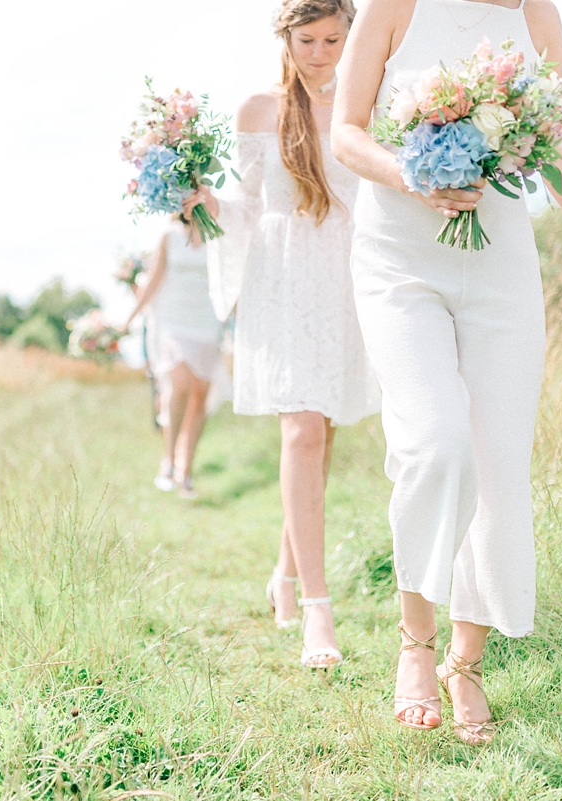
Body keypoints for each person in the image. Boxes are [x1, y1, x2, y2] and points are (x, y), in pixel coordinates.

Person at [331, 0, 562, 742]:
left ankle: (465, 662)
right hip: (398, 263)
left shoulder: (541, 18)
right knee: (435, 445)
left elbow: (561, 152)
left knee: (497, 467)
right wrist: (412, 174)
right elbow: (347, 131)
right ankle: (414, 644)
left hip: (501, 268)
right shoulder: (396, 6)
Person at [189, 0, 380, 669]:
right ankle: (317, 614)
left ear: (352, 36)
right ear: (286, 37)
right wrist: (207, 205)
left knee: (321, 433)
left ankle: (284, 572)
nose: (321, 52)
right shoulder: (258, 111)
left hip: (346, 278)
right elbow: (245, 205)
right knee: (300, 429)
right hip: (283, 279)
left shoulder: (370, 107)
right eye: (309, 39)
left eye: (334, 39)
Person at [125, 215, 230, 500]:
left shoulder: (217, 235)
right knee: (179, 384)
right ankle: (169, 459)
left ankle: (186, 469)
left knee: (199, 395)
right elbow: (154, 281)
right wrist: (129, 321)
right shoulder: (168, 236)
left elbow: (227, 280)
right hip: (173, 321)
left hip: (207, 321)